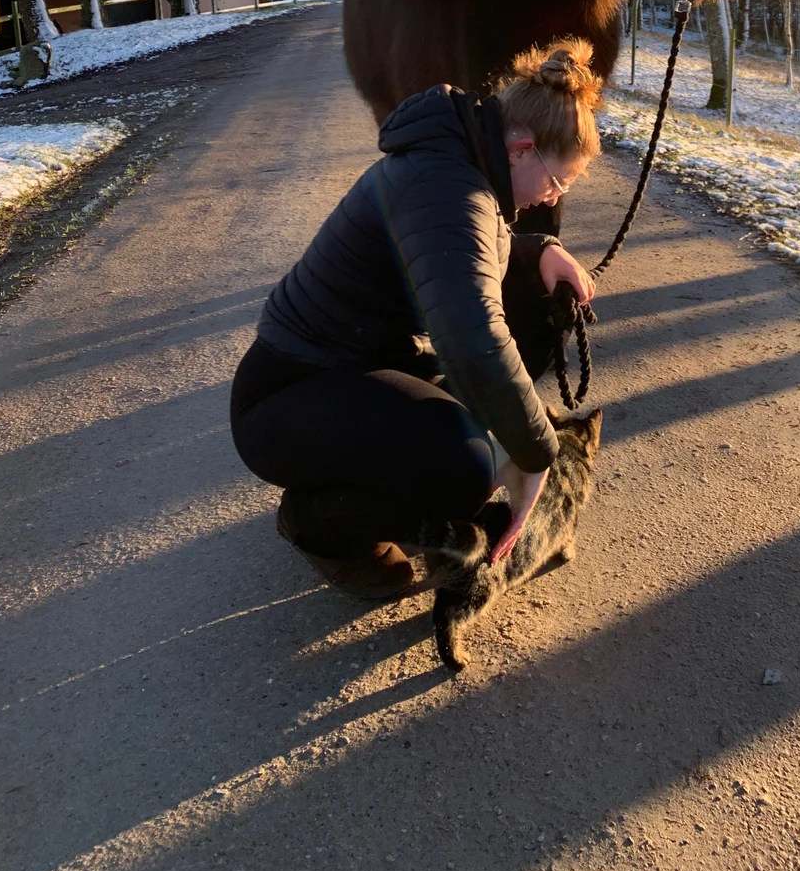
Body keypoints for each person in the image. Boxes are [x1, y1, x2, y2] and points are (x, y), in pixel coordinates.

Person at [230, 39, 602, 599]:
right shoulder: (451, 188)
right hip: (286, 397)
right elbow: (470, 330)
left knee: (533, 297)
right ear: (522, 148)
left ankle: (376, 475)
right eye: (558, 181)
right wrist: (534, 456)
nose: (553, 196)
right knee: (465, 468)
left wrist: (538, 250)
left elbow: (454, 254)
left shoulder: (462, 164)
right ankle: (317, 524)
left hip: (359, 363)